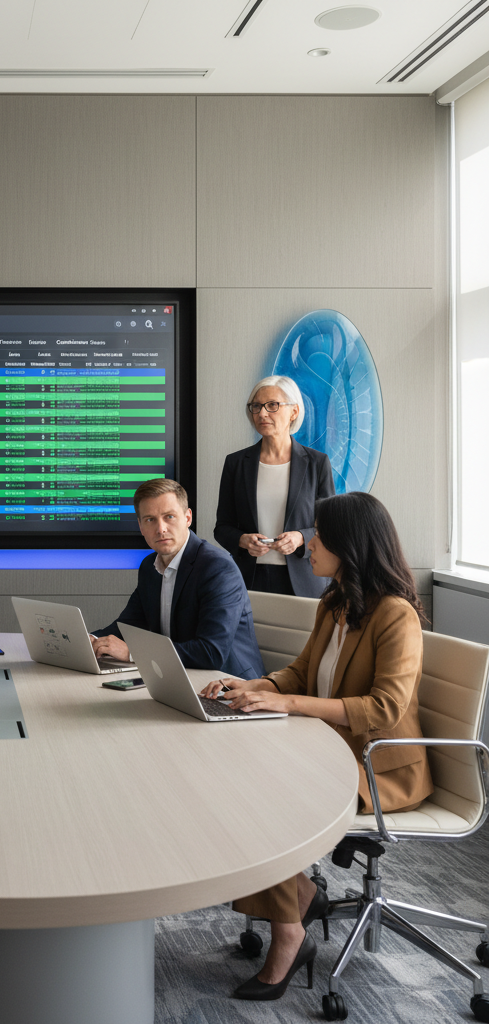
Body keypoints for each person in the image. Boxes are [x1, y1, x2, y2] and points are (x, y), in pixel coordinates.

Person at [200, 491, 432, 1001]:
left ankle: (290, 935)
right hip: (328, 749)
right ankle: (302, 895)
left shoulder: (396, 615)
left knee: (269, 800)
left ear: (350, 544)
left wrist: (289, 704)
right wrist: (255, 686)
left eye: (320, 536)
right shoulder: (334, 602)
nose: (310, 544)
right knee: (234, 779)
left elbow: (384, 708)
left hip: (378, 769)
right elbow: (302, 672)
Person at [90, 478, 264, 679]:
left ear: (188, 518)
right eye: (150, 520)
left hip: (229, 683)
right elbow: (129, 624)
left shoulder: (218, 568)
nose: (161, 529)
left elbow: (211, 652)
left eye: (169, 517)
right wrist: (92, 640)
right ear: (140, 526)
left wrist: (133, 653)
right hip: (177, 676)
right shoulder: (149, 566)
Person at [214, 375, 335, 598]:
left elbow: (330, 527)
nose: (262, 413)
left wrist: (300, 538)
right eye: (256, 406)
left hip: (304, 579)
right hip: (248, 579)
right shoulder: (236, 463)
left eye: (272, 405)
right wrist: (242, 540)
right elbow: (222, 527)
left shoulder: (317, 463)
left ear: (294, 412)